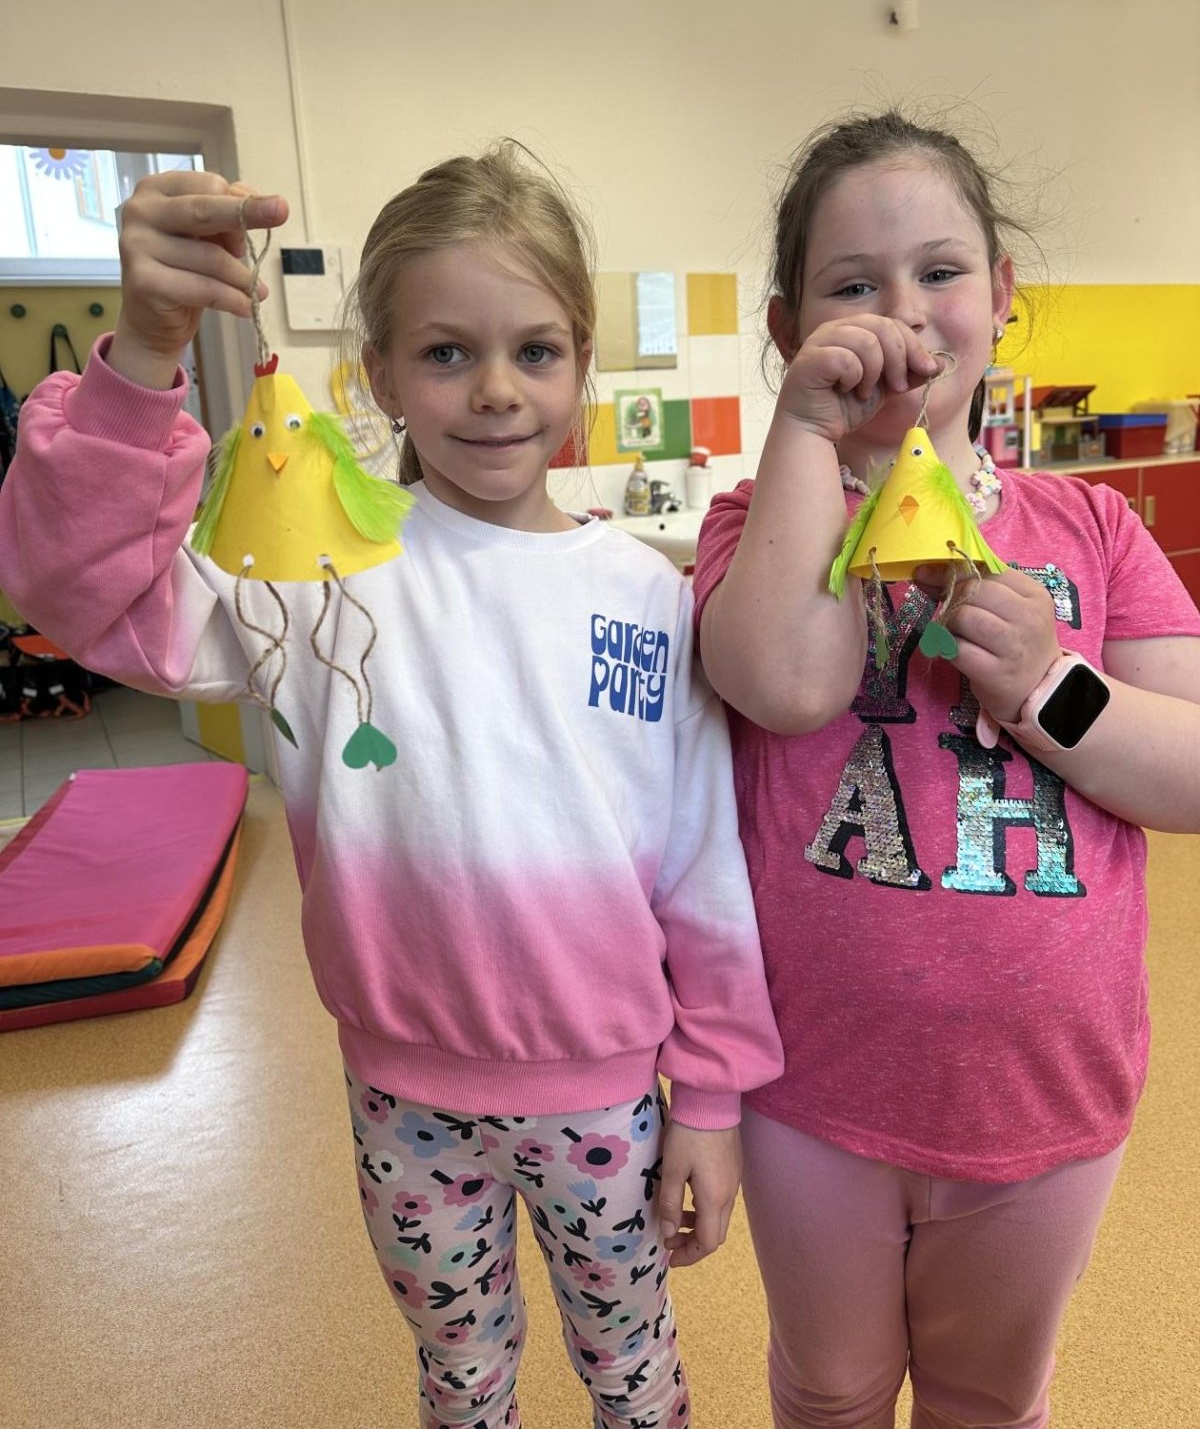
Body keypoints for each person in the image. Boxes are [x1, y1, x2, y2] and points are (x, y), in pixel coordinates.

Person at [0, 144, 783, 1429]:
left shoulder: (648, 595)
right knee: (461, 1378)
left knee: (634, 1371)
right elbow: (84, 597)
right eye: (446, 352)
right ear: (380, 374)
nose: (497, 389)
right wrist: (140, 361)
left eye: (536, 350)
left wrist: (710, 1093)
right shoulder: (317, 571)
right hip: (405, 1096)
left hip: (601, 1094)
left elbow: (703, 861)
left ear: (582, 366)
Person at [693, 108, 1200, 1429]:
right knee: (831, 1387)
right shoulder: (755, 526)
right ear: (787, 326)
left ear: (1003, 292)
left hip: (1045, 1093)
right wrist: (807, 433)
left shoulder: (1091, 526)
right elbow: (782, 680)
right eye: (851, 287)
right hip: (814, 1086)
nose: (902, 314)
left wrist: (1046, 685)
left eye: (939, 272)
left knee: (990, 1394)